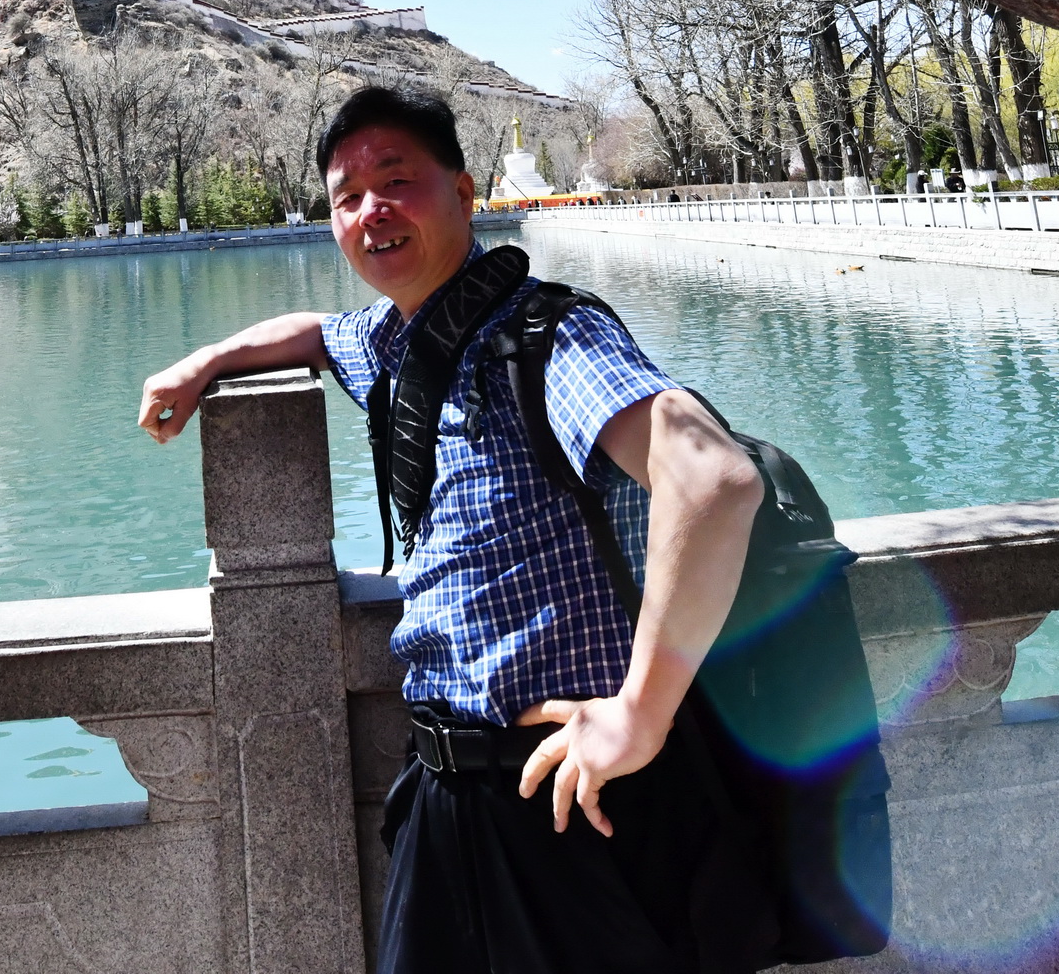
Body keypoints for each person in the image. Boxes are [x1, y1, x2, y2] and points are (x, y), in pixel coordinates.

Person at [138, 83, 765, 973]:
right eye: (346, 198)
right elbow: (315, 334)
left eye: (395, 181)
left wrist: (640, 713)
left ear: (466, 194)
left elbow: (711, 479)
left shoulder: (548, 337)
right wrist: (205, 361)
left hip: (572, 795)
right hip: (446, 794)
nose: (370, 211)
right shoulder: (396, 342)